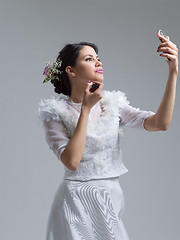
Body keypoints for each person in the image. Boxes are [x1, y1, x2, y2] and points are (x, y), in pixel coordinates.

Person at [38, 35, 178, 240]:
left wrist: (173, 71)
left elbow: (160, 124)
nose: (98, 62)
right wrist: (86, 109)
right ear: (71, 70)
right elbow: (71, 161)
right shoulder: (55, 112)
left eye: (98, 57)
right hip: (75, 201)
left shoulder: (113, 104)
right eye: (89, 58)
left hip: (110, 197)